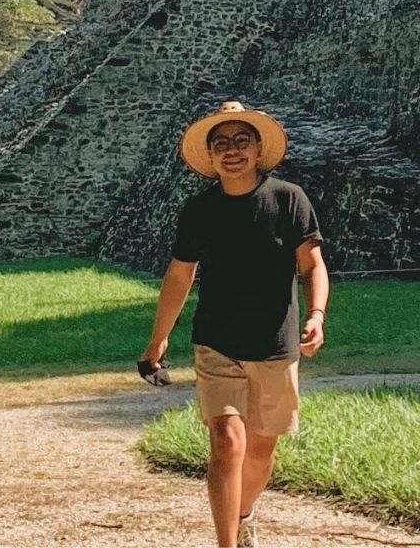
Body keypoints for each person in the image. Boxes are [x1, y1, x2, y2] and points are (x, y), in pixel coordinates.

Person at [139, 100, 329, 548]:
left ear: (258, 148)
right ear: (211, 156)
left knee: (261, 451)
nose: (232, 150)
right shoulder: (199, 210)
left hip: (277, 342)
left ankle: (243, 516)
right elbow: (179, 276)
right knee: (226, 441)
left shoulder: (288, 199)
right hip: (216, 341)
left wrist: (317, 315)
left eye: (241, 140)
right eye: (221, 143)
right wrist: (158, 340)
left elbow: (312, 264)